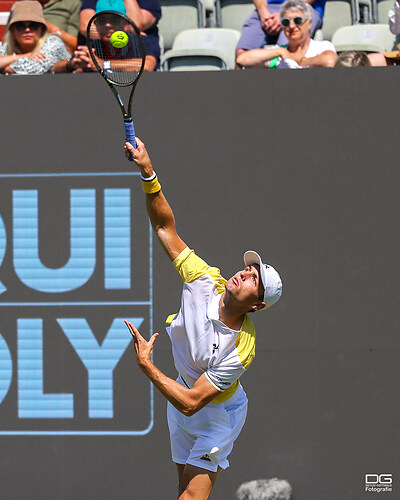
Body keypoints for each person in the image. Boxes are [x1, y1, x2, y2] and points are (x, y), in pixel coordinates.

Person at [123, 137, 282, 500]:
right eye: (247, 269)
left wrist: (147, 366)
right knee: (183, 490)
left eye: (253, 279)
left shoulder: (243, 347)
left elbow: (194, 402)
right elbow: (166, 229)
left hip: (216, 414)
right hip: (180, 397)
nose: (243, 274)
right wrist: (148, 172)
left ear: (256, 305)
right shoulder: (204, 278)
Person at [236, 0, 336, 69]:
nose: (292, 26)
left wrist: (299, 61)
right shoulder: (278, 55)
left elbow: (330, 61)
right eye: (285, 22)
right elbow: (242, 60)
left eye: (298, 21)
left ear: (309, 23)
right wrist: (280, 52)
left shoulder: (321, 47)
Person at [79, 0, 161, 70]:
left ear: (125, 23)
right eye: (102, 20)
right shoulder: (93, 46)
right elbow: (85, 27)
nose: (108, 25)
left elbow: (147, 66)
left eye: (114, 20)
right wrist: (72, 64)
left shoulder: (143, 41)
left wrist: (104, 65)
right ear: (96, 24)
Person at [0, 0, 69, 74]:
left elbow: (33, 68)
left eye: (33, 26)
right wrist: (24, 56)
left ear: (41, 29)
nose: (27, 30)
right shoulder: (7, 47)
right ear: (13, 30)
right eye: (20, 26)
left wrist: (5, 67)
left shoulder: (54, 43)